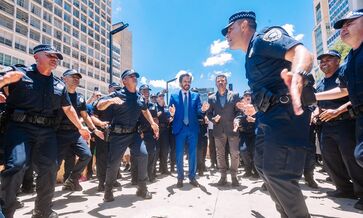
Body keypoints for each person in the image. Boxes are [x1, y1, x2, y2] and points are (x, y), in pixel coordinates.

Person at [223, 11, 314, 217]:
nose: (226, 35)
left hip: (286, 113)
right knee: (263, 167)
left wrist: (299, 76)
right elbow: (268, 87)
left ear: (244, 25)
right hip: (267, 117)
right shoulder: (250, 56)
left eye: (230, 29)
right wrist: (254, 107)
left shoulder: (263, 39)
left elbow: (302, 53)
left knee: (279, 173)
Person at [0, 44, 90, 218]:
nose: (54, 58)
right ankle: (6, 211)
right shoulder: (19, 73)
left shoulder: (58, 84)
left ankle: (43, 211)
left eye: (56, 57)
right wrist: (4, 81)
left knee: (50, 168)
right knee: (17, 166)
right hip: (19, 128)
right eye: (50, 55)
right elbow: (3, 80)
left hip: (47, 131)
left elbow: (68, 108)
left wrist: (81, 127)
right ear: (37, 56)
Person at [315, 9, 363, 209]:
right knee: (335, 157)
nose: (344, 28)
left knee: (355, 157)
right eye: (341, 25)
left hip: (345, 122)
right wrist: (311, 98)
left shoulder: (345, 65)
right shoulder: (352, 58)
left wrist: (339, 110)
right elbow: (344, 91)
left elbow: (343, 94)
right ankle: (344, 188)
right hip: (347, 120)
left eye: (349, 23)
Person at [97, 69, 159, 201]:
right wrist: (111, 101)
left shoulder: (139, 96)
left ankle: (142, 188)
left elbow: (145, 110)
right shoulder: (117, 94)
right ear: (124, 80)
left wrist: (153, 123)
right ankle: (108, 190)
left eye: (135, 76)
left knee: (143, 155)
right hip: (118, 135)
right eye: (131, 76)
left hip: (134, 134)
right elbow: (99, 106)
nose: (134, 78)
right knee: (114, 163)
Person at [57, 69, 104, 191]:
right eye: (73, 77)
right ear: (64, 78)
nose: (76, 79)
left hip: (75, 133)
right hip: (58, 133)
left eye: (78, 78)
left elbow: (85, 115)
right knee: (57, 162)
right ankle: (46, 190)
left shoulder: (80, 97)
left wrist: (94, 130)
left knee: (86, 155)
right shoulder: (58, 94)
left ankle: (72, 179)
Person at [169, 73, 209, 188]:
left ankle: (192, 177)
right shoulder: (174, 95)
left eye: (189, 81)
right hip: (179, 129)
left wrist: (203, 109)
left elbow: (199, 111)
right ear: (181, 82)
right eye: (185, 81)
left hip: (192, 129)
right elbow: (170, 110)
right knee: (179, 154)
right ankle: (180, 178)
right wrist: (171, 113)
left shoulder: (196, 96)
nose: (187, 83)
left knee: (192, 154)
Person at [207, 74, 241, 186]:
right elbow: (208, 113)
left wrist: (237, 119)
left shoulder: (235, 95)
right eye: (218, 81)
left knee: (235, 153)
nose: (220, 82)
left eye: (223, 80)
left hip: (232, 129)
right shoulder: (211, 98)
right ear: (216, 83)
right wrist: (213, 119)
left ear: (226, 82)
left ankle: (234, 176)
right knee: (220, 155)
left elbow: (239, 112)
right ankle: (223, 176)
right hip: (218, 130)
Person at [236, 90, 258, 178]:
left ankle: (256, 171)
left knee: (254, 152)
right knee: (243, 150)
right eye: (245, 95)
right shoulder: (241, 108)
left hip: (254, 133)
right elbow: (237, 117)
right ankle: (248, 170)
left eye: (249, 95)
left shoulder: (257, 106)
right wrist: (237, 121)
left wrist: (254, 120)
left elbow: (261, 119)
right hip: (244, 133)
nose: (247, 96)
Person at [156, 91, 172, 175]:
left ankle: (164, 168)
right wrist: (155, 116)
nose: (162, 97)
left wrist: (170, 119)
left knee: (165, 150)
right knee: (157, 150)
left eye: (163, 96)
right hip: (157, 131)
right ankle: (154, 170)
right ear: (157, 98)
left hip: (165, 130)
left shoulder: (166, 108)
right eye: (160, 96)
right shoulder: (154, 107)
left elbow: (170, 118)